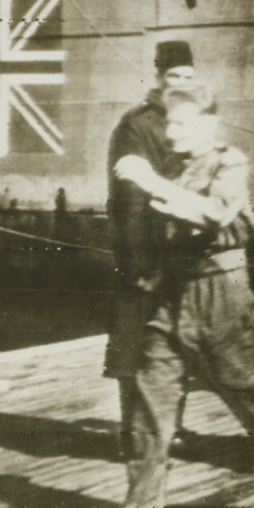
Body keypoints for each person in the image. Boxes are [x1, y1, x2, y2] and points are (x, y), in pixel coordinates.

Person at [114, 83, 254, 508]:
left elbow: (215, 213)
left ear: (209, 125)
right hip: (173, 294)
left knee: (247, 397)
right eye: (168, 122)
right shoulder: (172, 164)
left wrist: (147, 180)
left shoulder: (229, 161)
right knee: (149, 400)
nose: (171, 131)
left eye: (182, 123)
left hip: (220, 296)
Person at [104, 41, 195, 462]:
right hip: (146, 253)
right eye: (173, 76)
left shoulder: (195, 122)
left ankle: (171, 429)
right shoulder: (136, 125)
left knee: (177, 345)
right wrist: (140, 262)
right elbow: (129, 200)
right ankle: (131, 433)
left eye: (188, 78)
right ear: (159, 77)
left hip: (183, 254)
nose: (180, 84)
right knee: (135, 345)